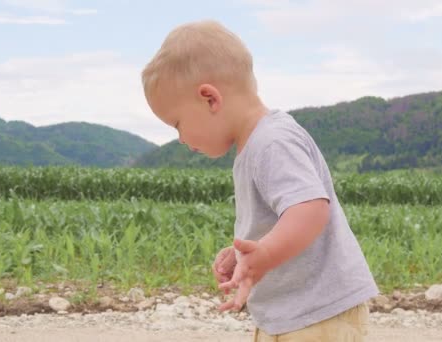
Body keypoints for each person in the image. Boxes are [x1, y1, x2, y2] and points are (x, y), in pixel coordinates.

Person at [142, 19, 379, 341]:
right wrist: (247, 251)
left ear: (210, 98)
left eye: (177, 124)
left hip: (317, 312)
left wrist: (265, 255)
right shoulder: (256, 144)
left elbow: (310, 208)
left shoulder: (272, 142)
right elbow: (282, 219)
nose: (180, 138)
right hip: (294, 314)